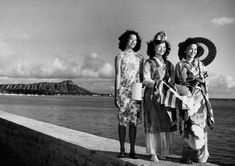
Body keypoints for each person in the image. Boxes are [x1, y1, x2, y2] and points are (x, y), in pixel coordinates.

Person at [175, 37, 215, 164]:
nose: (193, 51)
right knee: (189, 126)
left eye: (195, 49)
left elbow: (206, 81)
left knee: (201, 127)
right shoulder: (179, 65)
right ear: (185, 50)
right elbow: (175, 83)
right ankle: (187, 156)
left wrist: (202, 82)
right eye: (190, 49)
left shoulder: (201, 64)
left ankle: (200, 155)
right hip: (187, 98)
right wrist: (186, 89)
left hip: (200, 98)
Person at [143, 31, 176, 162]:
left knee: (165, 122)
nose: (161, 49)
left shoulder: (169, 64)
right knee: (153, 123)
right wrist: (158, 84)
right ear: (153, 48)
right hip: (152, 95)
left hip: (166, 97)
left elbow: (173, 81)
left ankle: (163, 150)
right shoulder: (148, 62)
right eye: (159, 47)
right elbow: (146, 80)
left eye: (164, 47)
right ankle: (153, 152)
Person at [114, 30, 144, 159]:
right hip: (123, 90)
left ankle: (132, 150)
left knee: (133, 122)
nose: (133, 42)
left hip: (136, 90)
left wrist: (143, 92)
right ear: (125, 40)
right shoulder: (120, 56)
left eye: (135, 40)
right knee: (122, 122)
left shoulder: (140, 57)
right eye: (131, 39)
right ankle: (122, 150)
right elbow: (118, 75)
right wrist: (116, 93)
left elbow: (142, 76)